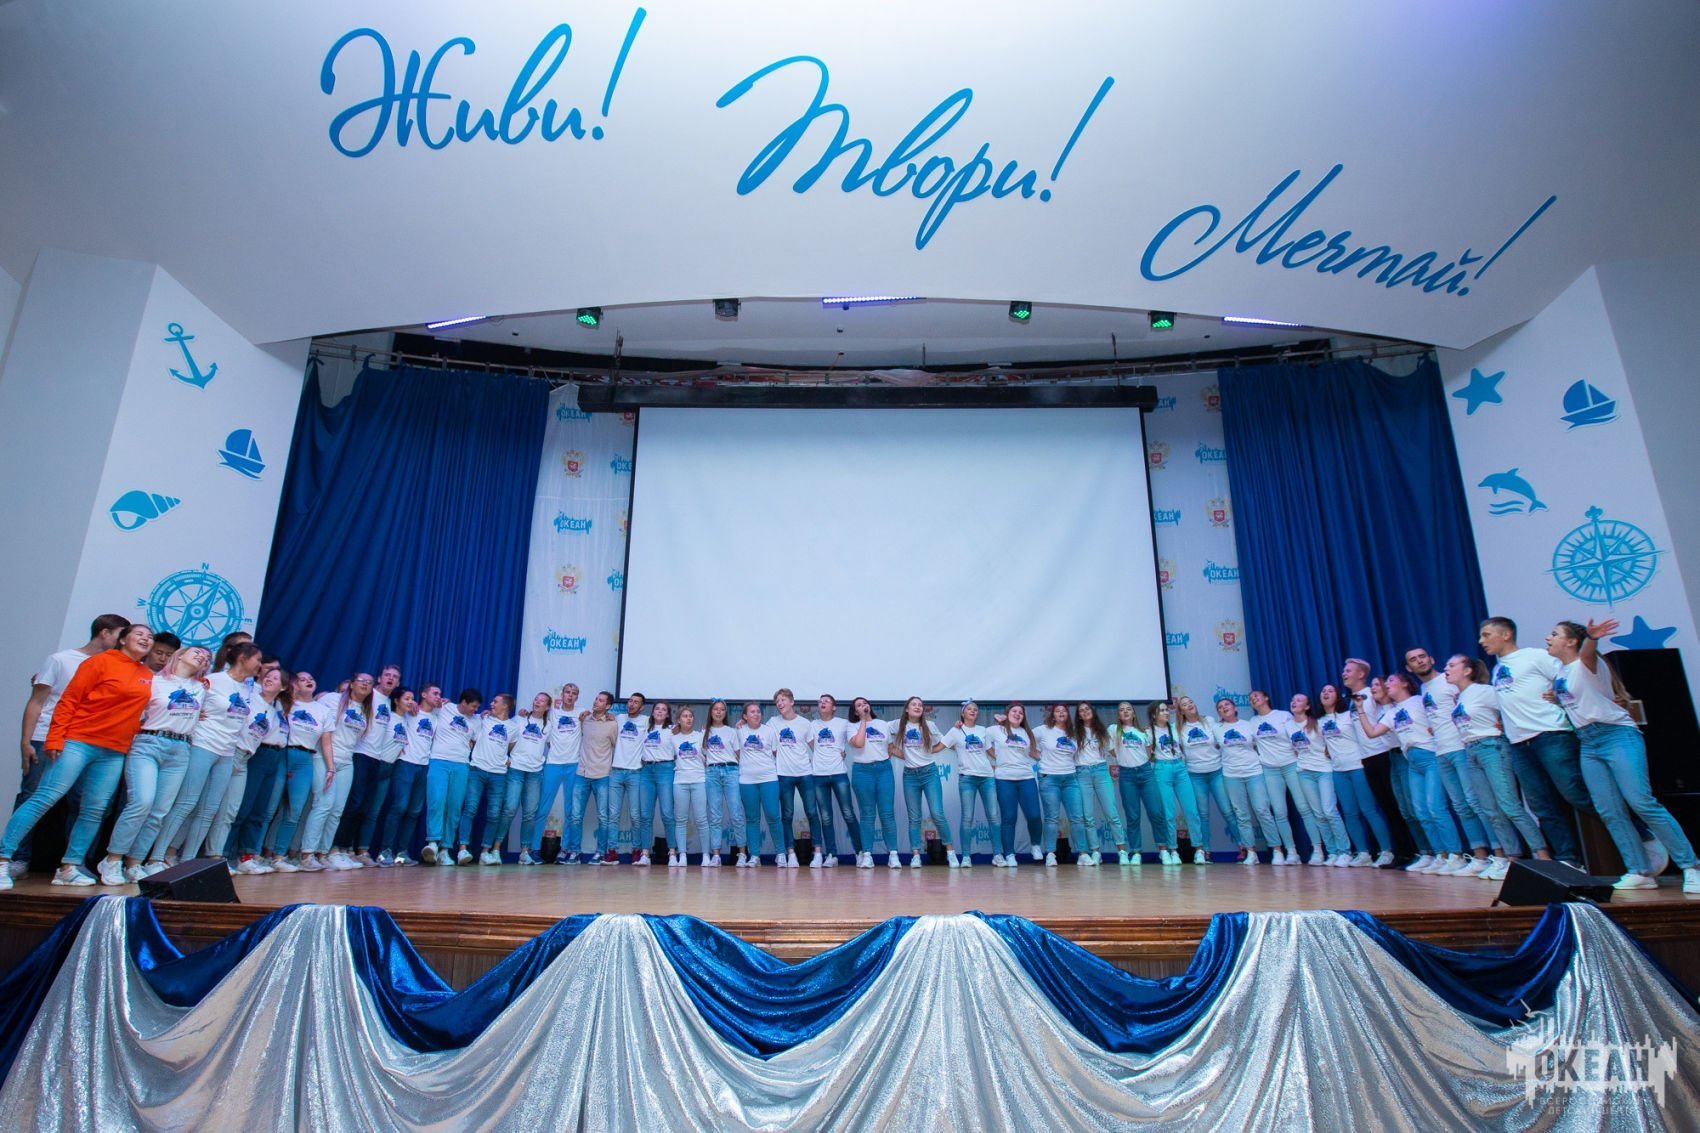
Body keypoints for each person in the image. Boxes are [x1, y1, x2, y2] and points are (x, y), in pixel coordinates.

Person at [1479, 616, 1661, 873]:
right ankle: (1568, 860)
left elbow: (1575, 674)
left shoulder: (1535, 657)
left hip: (1551, 734)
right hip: (1518, 743)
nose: (1481, 641)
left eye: (1486, 635)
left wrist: (1607, 695)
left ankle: (1640, 833)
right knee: (1541, 805)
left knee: (1575, 792)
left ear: (1506, 634)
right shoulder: (1498, 669)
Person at [1547, 619, 1699, 893]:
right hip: (1588, 742)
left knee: (1641, 801)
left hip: (1616, 735)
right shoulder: (1561, 671)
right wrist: (1555, 698)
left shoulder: (1586, 661)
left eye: (1555, 634)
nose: (1549, 638)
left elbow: (1588, 654)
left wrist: (1591, 637)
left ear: (1571, 641)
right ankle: (1639, 871)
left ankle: (1691, 866)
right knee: (1609, 810)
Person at [0, 624, 155, 891]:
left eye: (150, 637)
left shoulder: (147, 675)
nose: (146, 639)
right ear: (122, 639)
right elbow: (69, 700)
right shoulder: (100, 662)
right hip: (79, 741)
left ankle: (69, 866)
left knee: (94, 809)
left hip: (114, 751)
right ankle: (3, 859)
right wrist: (55, 738)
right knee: (44, 797)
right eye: (139, 634)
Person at [12, 613, 130, 876]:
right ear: (105, 633)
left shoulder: (120, 667)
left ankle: (73, 864)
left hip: (83, 740)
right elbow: (37, 701)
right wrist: (26, 741)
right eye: (120, 634)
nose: (124, 640)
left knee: (87, 805)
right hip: (46, 735)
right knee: (34, 796)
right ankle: (16, 858)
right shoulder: (61, 660)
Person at [111, 645, 212, 879]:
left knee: (159, 811)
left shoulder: (202, 688)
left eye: (207, 657)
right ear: (180, 655)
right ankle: (113, 859)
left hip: (181, 748)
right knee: (141, 802)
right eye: (197, 653)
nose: (203, 657)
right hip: (149, 742)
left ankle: (135, 863)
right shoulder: (154, 681)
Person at [1443, 658, 1545, 881]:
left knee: (1509, 805)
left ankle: (1543, 857)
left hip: (1492, 747)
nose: (1446, 669)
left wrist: (1503, 725)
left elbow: (1509, 708)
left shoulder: (1484, 691)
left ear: (1467, 671)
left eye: (1452, 666)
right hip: (1470, 750)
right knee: (1490, 810)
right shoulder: (1460, 697)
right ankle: (1512, 859)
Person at [1358, 672, 1467, 875]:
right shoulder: (1392, 712)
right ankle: (1439, 854)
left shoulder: (1418, 701)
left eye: (1391, 680)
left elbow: (1443, 711)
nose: (1387, 684)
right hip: (1411, 760)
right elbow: (1372, 733)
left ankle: (1456, 855)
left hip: (1430, 755)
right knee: (1420, 811)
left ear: (1405, 683)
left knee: (1435, 807)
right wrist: (1360, 710)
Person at [167, 643, 264, 864]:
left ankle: (189, 861)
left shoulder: (248, 690)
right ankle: (164, 855)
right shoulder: (214, 680)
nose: (260, 665)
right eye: (257, 659)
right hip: (203, 744)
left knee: (209, 811)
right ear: (242, 658)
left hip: (227, 752)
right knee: (187, 804)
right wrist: (197, 712)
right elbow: (191, 701)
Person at [1407, 647, 1495, 877]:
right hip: (1441, 750)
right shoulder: (1425, 689)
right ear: (1409, 668)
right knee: (1460, 806)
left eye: (1422, 657)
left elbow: (1468, 703)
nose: (1420, 661)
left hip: (1460, 747)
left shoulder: (1448, 682)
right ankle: (1479, 856)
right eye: (1414, 660)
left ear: (1431, 659)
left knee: (1475, 802)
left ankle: (1499, 853)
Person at [1341, 658, 1417, 859]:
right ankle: (1402, 850)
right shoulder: (1354, 700)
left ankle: (1411, 851)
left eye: (1349, 670)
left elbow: (1389, 707)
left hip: (1383, 754)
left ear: (1361, 674)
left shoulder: (1372, 694)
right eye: (1344, 670)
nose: (1344, 673)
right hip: (1367, 758)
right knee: (1386, 807)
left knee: (1398, 805)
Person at [1316, 684, 1395, 867]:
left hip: (1357, 765)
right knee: (1350, 813)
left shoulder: (1348, 715)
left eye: (1330, 691)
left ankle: (1386, 851)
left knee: (1369, 809)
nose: (1326, 693)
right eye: (1323, 691)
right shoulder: (1319, 721)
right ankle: (1362, 853)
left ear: (1338, 696)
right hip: (1338, 770)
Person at [301, 672, 374, 871]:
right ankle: (307, 854)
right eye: (361, 681)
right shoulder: (332, 699)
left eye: (369, 682)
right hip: (324, 757)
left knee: (337, 810)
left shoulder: (366, 709)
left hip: (346, 760)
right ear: (351, 684)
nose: (365, 684)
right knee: (323, 805)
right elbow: (313, 711)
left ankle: (323, 853)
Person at [260, 671, 327, 870]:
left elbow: (326, 740)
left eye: (311, 678)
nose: (308, 681)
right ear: (293, 684)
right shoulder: (283, 703)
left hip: (305, 758)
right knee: (269, 809)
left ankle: (279, 856)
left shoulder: (321, 709)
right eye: (302, 679)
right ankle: (253, 854)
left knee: (294, 811)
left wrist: (331, 768)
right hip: (283, 754)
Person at [339, 664, 402, 867]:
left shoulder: (390, 702)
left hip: (378, 758)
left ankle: (358, 850)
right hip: (360, 753)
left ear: (398, 682)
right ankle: (341, 848)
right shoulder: (369, 695)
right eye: (387, 675)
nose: (390, 678)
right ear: (379, 678)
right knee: (354, 803)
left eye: (395, 677)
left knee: (367, 808)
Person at [1248, 689, 1320, 865]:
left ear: (1266, 697)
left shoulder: (1283, 715)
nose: (1253, 699)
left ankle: (1317, 850)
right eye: (1250, 698)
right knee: (1279, 812)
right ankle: (1291, 852)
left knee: (1304, 808)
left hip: (1291, 765)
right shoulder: (1252, 722)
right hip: (1270, 769)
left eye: (1256, 695)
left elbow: (1297, 736)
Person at [231, 667, 289, 873]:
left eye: (276, 678)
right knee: (243, 807)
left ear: (283, 687)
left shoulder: (277, 710)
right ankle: (226, 855)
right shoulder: (251, 698)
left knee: (260, 809)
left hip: (274, 757)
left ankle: (247, 856)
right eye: (268, 676)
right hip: (257, 754)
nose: (270, 679)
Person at [1286, 693, 1353, 866]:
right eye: (1293, 700)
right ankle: (1331, 852)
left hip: (1324, 770)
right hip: (1304, 772)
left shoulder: (1318, 723)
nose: (1294, 702)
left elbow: (1332, 743)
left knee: (1329, 811)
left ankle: (1345, 851)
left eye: (1299, 700)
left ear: (1307, 706)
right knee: (1318, 814)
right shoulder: (1288, 726)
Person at [1214, 697, 1279, 865]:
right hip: (1231, 775)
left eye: (1227, 704)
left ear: (1235, 707)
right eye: (1220, 707)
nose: (1224, 708)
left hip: (1254, 772)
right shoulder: (1216, 728)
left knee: (1262, 811)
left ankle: (1276, 849)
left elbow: (1260, 745)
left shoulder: (1248, 725)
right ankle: (1251, 852)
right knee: (1241, 815)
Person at [893, 697, 956, 868]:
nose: (918, 707)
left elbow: (944, 742)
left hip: (929, 773)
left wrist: (930, 752)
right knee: (914, 817)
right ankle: (916, 856)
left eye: (920, 705)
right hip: (909, 776)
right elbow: (883, 738)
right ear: (906, 709)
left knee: (937, 814)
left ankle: (950, 853)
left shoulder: (930, 725)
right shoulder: (897, 725)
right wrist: (902, 754)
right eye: (914, 704)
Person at [421, 688, 481, 865]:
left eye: (477, 707)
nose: (475, 710)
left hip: (461, 764)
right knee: (437, 800)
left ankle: (445, 849)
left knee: (454, 807)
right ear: (463, 702)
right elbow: (424, 708)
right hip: (439, 761)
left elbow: (476, 740)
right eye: (473, 706)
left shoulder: (476, 720)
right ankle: (432, 843)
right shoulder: (444, 708)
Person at [1175, 696, 1237, 864]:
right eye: (1185, 705)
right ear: (1181, 711)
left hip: (1216, 772)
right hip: (1195, 775)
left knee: (1228, 811)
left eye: (1191, 702)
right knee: (1202, 814)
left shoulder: (1209, 721)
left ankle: (1244, 848)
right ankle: (1205, 850)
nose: (1189, 705)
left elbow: (1221, 738)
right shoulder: (1179, 728)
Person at [374, 687, 431, 867]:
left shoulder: (417, 715)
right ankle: (385, 851)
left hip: (423, 766)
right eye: (407, 698)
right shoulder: (397, 716)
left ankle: (402, 853)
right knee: (399, 806)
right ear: (397, 700)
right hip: (404, 764)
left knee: (414, 811)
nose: (410, 701)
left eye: (412, 698)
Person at [459, 693, 515, 866]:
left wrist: (505, 758)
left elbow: (510, 747)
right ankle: (462, 849)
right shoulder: (482, 720)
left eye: (496, 702)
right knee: (470, 809)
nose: (491, 703)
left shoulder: (513, 727)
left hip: (498, 774)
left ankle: (485, 852)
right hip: (477, 770)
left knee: (493, 814)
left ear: (505, 706)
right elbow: (472, 738)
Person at [1073, 702, 1129, 865]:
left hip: (1101, 771)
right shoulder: (1074, 732)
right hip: (1082, 772)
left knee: (1112, 813)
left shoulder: (1103, 731)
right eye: (1081, 710)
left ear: (1092, 711)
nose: (1085, 712)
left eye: (1087, 709)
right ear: (1078, 715)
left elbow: (1114, 751)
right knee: (1088, 816)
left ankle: (1122, 851)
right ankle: (1095, 852)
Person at [1032, 703, 1088, 867]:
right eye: (1057, 711)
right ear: (1053, 715)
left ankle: (1082, 854)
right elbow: (1025, 738)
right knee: (1052, 818)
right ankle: (1050, 853)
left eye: (1064, 711)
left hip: (1070, 778)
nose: (1061, 713)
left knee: (1077, 817)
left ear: (1068, 715)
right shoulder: (1043, 730)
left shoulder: (1074, 732)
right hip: (1049, 778)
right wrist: (1038, 756)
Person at [1110, 702, 1166, 864]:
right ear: (1118, 715)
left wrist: (1138, 762)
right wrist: (1126, 760)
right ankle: (1136, 852)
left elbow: (1148, 753)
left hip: (1146, 773)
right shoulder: (1114, 729)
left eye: (1128, 709)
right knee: (1132, 815)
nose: (1125, 712)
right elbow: (1112, 751)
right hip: (1127, 775)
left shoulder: (1144, 732)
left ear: (1134, 714)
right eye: (1121, 710)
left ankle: (1163, 850)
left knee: (1156, 812)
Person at [1149, 701, 1204, 866]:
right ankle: (1173, 850)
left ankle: (1199, 849)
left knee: (1191, 810)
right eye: (1161, 711)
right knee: (1169, 813)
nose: (1166, 713)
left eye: (1166, 710)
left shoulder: (1176, 727)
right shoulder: (1148, 732)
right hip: (1162, 769)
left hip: (1180, 767)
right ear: (1154, 715)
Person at [988, 703, 1043, 867]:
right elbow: (981, 743)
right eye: (1014, 711)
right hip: (1004, 779)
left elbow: (1035, 752)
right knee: (1009, 817)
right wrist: (997, 757)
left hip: (1026, 777)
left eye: (1021, 712)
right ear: (1007, 713)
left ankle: (1035, 846)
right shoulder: (995, 730)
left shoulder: (1028, 733)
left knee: (1034, 815)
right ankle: (1010, 854)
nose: (1017, 714)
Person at [942, 702, 995, 866]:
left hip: (987, 777)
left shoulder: (983, 730)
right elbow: (941, 745)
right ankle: (966, 857)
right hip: (967, 778)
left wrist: (1006, 760)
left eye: (975, 710)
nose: (973, 711)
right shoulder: (955, 731)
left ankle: (998, 855)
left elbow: (990, 751)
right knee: (967, 817)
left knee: (994, 816)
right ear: (962, 713)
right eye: (969, 709)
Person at [768, 690, 817, 869]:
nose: (780, 703)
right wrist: (742, 723)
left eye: (783, 700)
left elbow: (815, 748)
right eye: (777, 701)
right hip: (783, 774)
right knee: (787, 815)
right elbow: (765, 740)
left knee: (812, 812)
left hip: (805, 773)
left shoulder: (805, 723)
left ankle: (818, 853)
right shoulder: (772, 722)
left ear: (792, 702)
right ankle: (791, 853)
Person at [848, 698, 899, 868]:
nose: (863, 706)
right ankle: (867, 855)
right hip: (862, 772)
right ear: (855, 712)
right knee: (867, 814)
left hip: (884, 770)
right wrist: (863, 721)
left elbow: (890, 748)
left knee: (887, 813)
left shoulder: (883, 724)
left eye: (865, 703)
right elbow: (859, 743)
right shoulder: (852, 726)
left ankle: (893, 855)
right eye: (859, 705)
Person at [533, 684, 581, 864]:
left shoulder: (581, 713)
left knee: (571, 810)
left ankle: (566, 849)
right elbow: (536, 716)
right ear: (562, 694)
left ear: (577, 697)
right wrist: (523, 712)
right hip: (553, 764)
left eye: (574, 693)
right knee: (543, 808)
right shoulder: (552, 713)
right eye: (567, 692)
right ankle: (533, 848)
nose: (570, 696)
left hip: (573, 765)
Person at [809, 695, 858, 867]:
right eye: (820, 701)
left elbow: (860, 731)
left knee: (848, 814)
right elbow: (809, 742)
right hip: (818, 775)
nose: (822, 703)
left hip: (839, 774)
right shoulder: (813, 724)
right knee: (826, 817)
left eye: (826, 701)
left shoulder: (844, 723)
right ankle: (831, 855)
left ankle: (860, 852)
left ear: (834, 707)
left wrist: (842, 752)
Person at [571, 692, 618, 864]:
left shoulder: (612, 724)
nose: (596, 702)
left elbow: (617, 745)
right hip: (582, 773)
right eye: (596, 699)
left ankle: (600, 852)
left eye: (601, 700)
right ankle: (574, 852)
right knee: (576, 816)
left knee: (603, 817)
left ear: (608, 706)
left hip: (602, 775)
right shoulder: (584, 719)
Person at [507, 693, 551, 866]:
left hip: (535, 773)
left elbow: (553, 745)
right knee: (509, 809)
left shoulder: (549, 725)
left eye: (542, 700)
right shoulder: (519, 719)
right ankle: (494, 849)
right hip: (516, 769)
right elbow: (507, 741)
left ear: (547, 707)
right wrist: (506, 757)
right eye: (536, 699)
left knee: (530, 813)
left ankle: (525, 852)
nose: (537, 701)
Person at [736, 700, 781, 867]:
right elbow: (736, 753)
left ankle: (781, 853)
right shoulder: (739, 731)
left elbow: (776, 753)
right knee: (752, 819)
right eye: (752, 712)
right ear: (745, 716)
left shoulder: (769, 731)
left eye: (758, 711)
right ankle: (754, 855)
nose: (756, 714)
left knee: (773, 816)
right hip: (747, 781)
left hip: (769, 778)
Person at [606, 693, 650, 864]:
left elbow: (665, 726)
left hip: (635, 773)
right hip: (616, 772)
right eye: (630, 701)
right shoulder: (618, 718)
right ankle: (611, 851)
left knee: (635, 815)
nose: (631, 704)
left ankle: (636, 850)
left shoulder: (647, 721)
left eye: (636, 702)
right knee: (613, 815)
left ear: (642, 707)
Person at [701, 699, 742, 866]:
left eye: (722, 709)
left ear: (725, 713)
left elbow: (739, 754)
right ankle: (716, 855)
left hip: (731, 770)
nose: (718, 712)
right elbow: (702, 755)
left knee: (736, 814)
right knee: (715, 815)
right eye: (715, 709)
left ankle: (742, 854)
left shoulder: (732, 731)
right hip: (712, 773)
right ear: (711, 712)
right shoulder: (704, 732)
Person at [633, 700, 674, 867]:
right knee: (645, 815)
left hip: (665, 770)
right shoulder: (644, 727)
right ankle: (645, 854)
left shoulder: (673, 730)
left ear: (668, 714)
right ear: (652, 711)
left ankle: (672, 853)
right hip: (646, 771)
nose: (660, 711)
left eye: (664, 709)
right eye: (657, 708)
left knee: (667, 813)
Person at [668, 705, 707, 867]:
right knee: (681, 820)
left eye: (690, 716)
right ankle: (682, 855)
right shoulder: (673, 738)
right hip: (680, 781)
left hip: (699, 780)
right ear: (678, 720)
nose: (688, 718)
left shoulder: (700, 736)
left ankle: (706, 856)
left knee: (702, 819)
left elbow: (707, 756)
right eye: (684, 716)